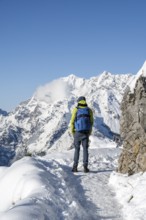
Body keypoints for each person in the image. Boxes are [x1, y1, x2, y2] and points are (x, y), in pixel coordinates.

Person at [70, 96, 94, 172]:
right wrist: (89, 132)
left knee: (77, 149)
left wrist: (73, 132)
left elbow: (72, 121)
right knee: (85, 150)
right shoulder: (89, 110)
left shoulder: (76, 109)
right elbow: (91, 122)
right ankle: (85, 167)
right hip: (86, 132)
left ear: (78, 102)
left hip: (77, 132)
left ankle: (75, 167)